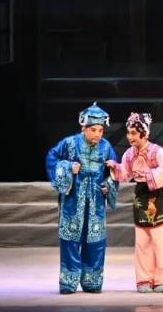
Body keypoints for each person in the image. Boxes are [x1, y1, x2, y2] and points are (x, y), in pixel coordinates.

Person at [46, 102, 118, 294]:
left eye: (100, 130)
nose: (97, 134)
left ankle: (92, 281)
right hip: (73, 199)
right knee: (70, 240)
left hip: (95, 200)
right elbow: (52, 158)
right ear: (83, 128)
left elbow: (113, 172)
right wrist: (68, 167)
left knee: (95, 241)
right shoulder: (69, 143)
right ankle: (69, 282)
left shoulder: (106, 147)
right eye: (93, 129)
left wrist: (108, 184)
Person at [107, 112, 163, 293]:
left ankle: (162, 280)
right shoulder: (129, 154)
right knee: (142, 241)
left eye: (133, 133)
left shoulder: (157, 152)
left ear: (144, 134)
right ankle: (144, 279)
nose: (129, 137)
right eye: (128, 133)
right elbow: (125, 174)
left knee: (161, 241)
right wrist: (116, 168)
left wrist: (147, 176)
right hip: (141, 196)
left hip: (158, 195)